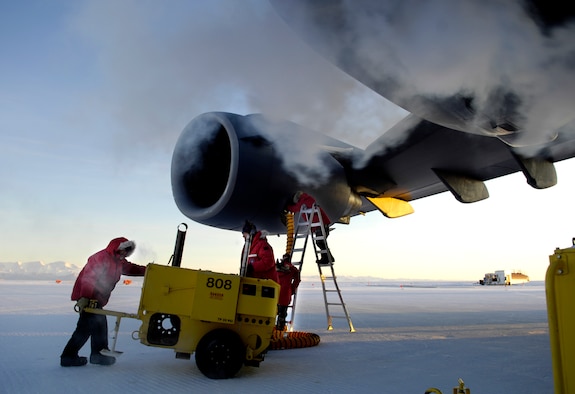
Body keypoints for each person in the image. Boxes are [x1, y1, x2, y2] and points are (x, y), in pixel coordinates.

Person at [60, 237, 147, 367]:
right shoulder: (101, 257)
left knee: (95, 326)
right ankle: (73, 356)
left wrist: (150, 270)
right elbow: (89, 278)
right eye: (123, 250)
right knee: (88, 328)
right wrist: (85, 297)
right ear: (116, 247)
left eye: (127, 251)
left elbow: (132, 269)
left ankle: (95, 355)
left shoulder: (119, 262)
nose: (124, 253)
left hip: (96, 298)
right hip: (88, 297)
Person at [286, 191, 334, 265]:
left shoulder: (305, 200)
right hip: (320, 225)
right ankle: (328, 258)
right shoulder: (306, 200)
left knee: (320, 242)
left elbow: (297, 208)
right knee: (321, 242)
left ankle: (327, 258)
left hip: (321, 225)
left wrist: (288, 207)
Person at [276, 253, 301, 331]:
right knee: (282, 314)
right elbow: (297, 280)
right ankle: (280, 330)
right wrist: (292, 289)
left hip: (274, 292)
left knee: (271, 312)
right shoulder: (292, 269)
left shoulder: (275, 267)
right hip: (285, 293)